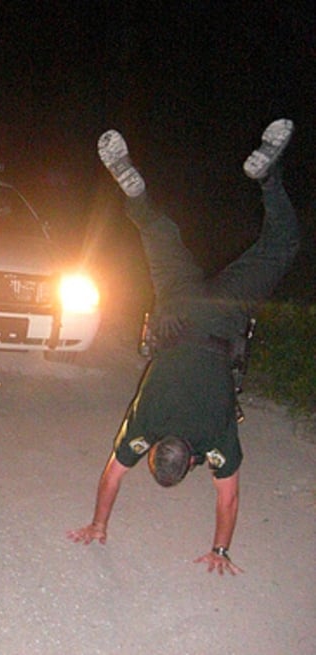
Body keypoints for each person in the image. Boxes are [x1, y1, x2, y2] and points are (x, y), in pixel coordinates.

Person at [67, 118, 300, 575]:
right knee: (160, 236)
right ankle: (134, 193)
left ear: (193, 460)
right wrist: (97, 523)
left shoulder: (215, 440)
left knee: (280, 246)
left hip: (224, 318)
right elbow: (112, 477)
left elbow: (228, 499)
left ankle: (268, 178)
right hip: (175, 311)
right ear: (153, 449)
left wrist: (221, 551)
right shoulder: (145, 424)